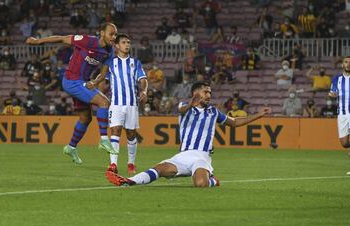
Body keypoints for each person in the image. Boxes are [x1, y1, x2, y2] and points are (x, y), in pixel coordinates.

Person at [105, 82, 271, 187]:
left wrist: (259, 115)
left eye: (210, 93)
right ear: (196, 93)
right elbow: (181, 109)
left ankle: (212, 180)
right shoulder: (185, 107)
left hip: (201, 157)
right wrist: (192, 103)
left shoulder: (213, 111)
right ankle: (129, 181)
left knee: (200, 184)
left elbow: (234, 123)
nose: (209, 95)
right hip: (182, 156)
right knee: (160, 169)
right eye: (206, 92)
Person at [25, 22, 118, 164]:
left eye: (115, 34)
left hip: (83, 82)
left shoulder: (110, 51)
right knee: (104, 102)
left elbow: (103, 73)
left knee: (86, 118)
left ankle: (71, 147)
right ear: (102, 33)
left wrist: (95, 82)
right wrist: (38, 41)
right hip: (71, 80)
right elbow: (62, 38)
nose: (114, 37)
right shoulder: (87, 40)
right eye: (111, 33)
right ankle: (104, 139)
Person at [87, 33, 148, 175]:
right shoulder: (111, 62)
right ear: (116, 46)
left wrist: (144, 90)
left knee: (131, 134)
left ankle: (131, 163)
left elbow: (143, 79)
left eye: (128, 42)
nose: (127, 45)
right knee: (115, 131)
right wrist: (94, 83)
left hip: (132, 104)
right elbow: (102, 76)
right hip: (116, 104)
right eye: (124, 42)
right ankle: (113, 164)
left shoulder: (136, 63)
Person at [329, 56, 350, 175]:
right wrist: (332, 94)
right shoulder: (337, 78)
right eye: (346, 62)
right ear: (342, 64)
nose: (348, 64)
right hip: (342, 114)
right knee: (344, 143)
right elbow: (333, 91)